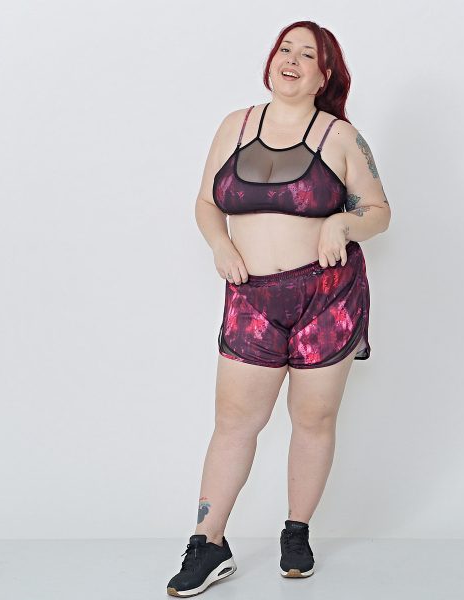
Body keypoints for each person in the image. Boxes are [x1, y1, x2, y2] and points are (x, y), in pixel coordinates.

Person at [167, 20, 390, 597]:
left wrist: (342, 222)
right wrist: (220, 245)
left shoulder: (340, 137)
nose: (291, 60)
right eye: (284, 49)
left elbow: (379, 212)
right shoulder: (235, 125)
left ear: (324, 75)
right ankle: (208, 543)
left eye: (306, 54)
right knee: (235, 422)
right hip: (251, 298)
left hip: (327, 296)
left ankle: (297, 531)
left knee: (313, 418)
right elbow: (205, 202)